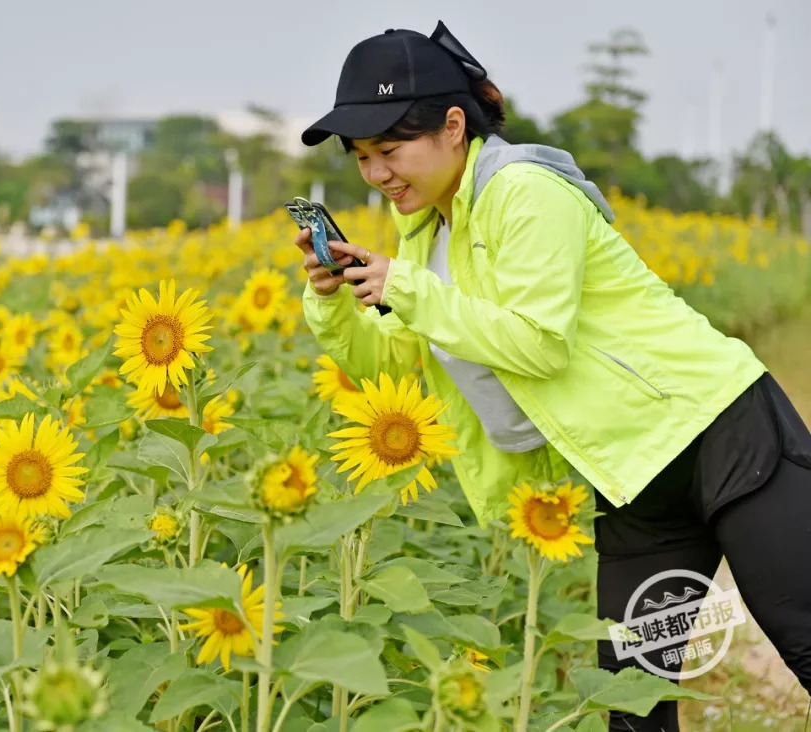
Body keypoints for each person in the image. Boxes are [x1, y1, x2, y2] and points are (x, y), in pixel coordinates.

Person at [295, 21, 811, 731]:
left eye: (390, 150)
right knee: (632, 703)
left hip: (721, 433)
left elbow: (539, 345)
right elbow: (394, 360)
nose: (378, 174)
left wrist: (406, 288)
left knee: (804, 639)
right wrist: (333, 301)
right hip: (634, 482)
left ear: (453, 126)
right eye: (361, 158)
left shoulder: (525, 192)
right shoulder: (425, 233)